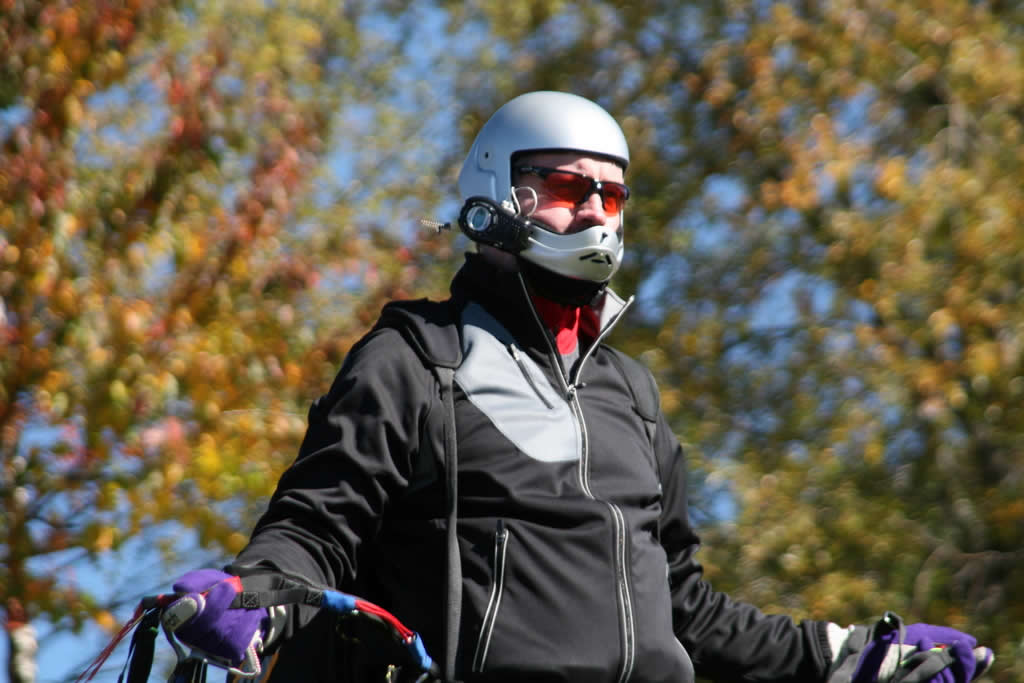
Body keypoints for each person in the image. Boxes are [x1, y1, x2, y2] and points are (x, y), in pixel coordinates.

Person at [161, 91, 994, 683]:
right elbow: (317, 526)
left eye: (613, 194)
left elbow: (686, 610)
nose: (597, 211)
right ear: (496, 195)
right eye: (568, 188)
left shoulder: (632, 396)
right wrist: (254, 593)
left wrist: (856, 655)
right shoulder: (414, 358)